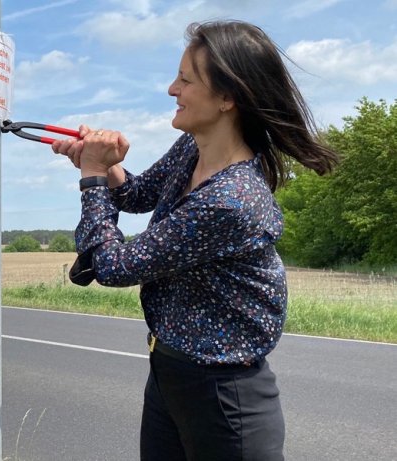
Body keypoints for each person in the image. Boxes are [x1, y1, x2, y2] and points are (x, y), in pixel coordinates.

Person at [52, 20, 339, 461]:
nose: (172, 89)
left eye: (186, 79)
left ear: (228, 98)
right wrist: (103, 165)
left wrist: (91, 178)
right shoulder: (193, 149)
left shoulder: (232, 200)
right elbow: (135, 194)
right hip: (170, 373)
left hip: (224, 399)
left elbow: (112, 267)